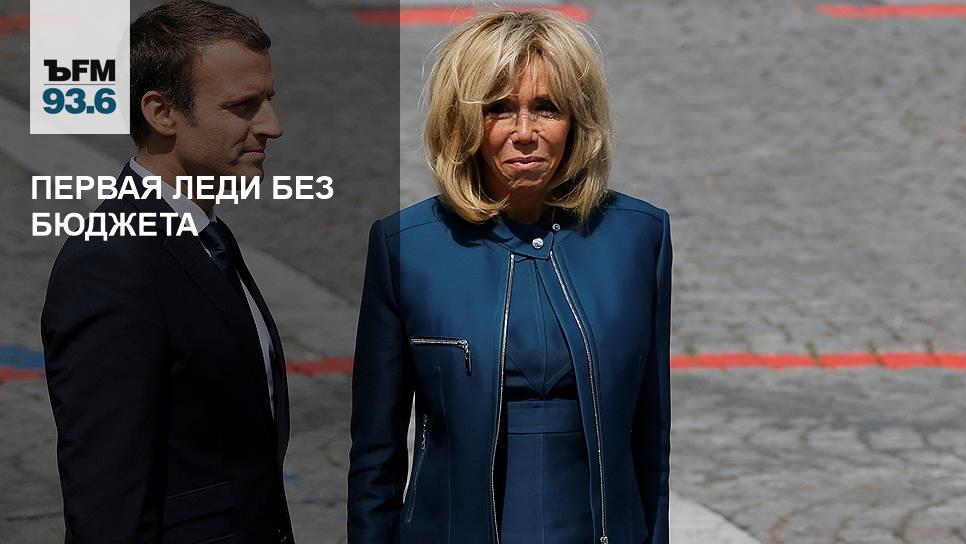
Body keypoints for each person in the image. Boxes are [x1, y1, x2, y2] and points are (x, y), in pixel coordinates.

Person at [348, 9, 672, 544]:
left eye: (547, 108)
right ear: (462, 122)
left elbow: (651, 438)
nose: (525, 133)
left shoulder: (639, 236)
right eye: (498, 109)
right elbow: (374, 455)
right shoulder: (405, 245)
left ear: (578, 119)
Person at [41, 2, 292, 542]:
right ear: (161, 113)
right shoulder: (109, 264)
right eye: (244, 106)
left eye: (268, 100)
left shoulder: (208, 235)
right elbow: (107, 497)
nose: (272, 126)